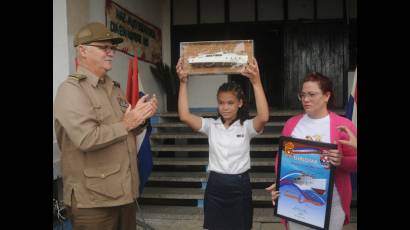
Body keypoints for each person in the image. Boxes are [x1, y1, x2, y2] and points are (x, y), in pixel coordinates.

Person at [54, 22, 158, 230]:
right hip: (93, 202)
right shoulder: (71, 90)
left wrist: (141, 117)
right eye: (104, 47)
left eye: (111, 48)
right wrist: (127, 123)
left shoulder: (113, 88)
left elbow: (127, 129)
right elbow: (86, 138)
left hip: (123, 193)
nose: (111, 52)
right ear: (82, 51)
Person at [176, 57, 269, 230]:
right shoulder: (211, 126)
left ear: (240, 103)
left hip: (240, 186)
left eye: (230, 103)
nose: (225, 107)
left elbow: (263, 117)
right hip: (215, 186)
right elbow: (184, 116)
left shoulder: (247, 126)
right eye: (221, 103)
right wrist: (183, 83)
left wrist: (256, 82)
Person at [266, 72, 357, 230]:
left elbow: (355, 164)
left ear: (326, 96)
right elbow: (280, 159)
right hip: (296, 198)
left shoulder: (343, 125)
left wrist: (341, 161)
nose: (306, 99)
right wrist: (281, 184)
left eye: (312, 94)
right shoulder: (291, 124)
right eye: (303, 95)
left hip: (332, 202)